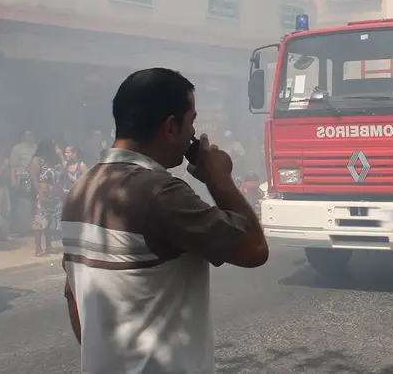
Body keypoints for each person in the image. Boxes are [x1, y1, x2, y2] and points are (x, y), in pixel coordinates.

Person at [60, 67, 269, 374]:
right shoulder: (160, 193)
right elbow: (254, 249)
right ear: (171, 127)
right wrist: (219, 180)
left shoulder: (82, 189)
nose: (193, 135)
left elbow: (71, 294)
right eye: (192, 122)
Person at [29, 139, 64, 256]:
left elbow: (62, 171)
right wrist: (40, 193)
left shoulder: (53, 160)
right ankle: (38, 248)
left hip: (53, 194)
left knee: (50, 221)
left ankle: (49, 246)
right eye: (53, 147)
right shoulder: (37, 160)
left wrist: (60, 155)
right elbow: (34, 178)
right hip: (42, 193)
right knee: (39, 220)